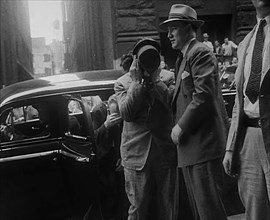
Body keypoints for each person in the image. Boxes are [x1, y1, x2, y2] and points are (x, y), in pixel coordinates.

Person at [159, 4, 229, 220]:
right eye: (168, 29)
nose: (169, 34)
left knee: (209, 212)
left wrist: (180, 126)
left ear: (190, 28)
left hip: (202, 147)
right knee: (201, 212)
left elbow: (204, 96)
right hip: (192, 149)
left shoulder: (199, 52)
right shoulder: (184, 56)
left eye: (174, 28)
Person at [114, 38, 178, 220]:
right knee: (138, 208)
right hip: (136, 153)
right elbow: (126, 113)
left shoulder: (168, 78)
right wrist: (136, 83)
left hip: (164, 151)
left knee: (168, 207)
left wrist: (156, 80)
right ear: (135, 59)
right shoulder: (122, 83)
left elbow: (170, 105)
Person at [223, 0, 270, 219]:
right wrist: (231, 148)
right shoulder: (246, 43)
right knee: (254, 212)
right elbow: (239, 102)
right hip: (249, 138)